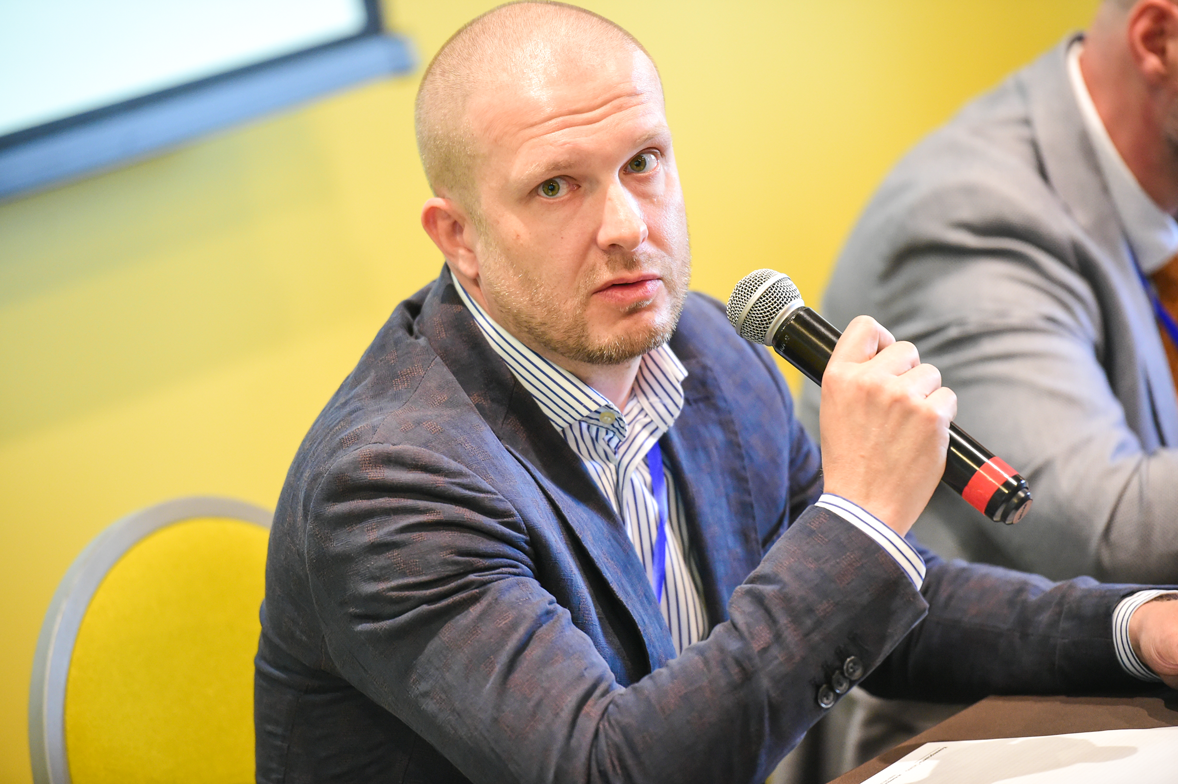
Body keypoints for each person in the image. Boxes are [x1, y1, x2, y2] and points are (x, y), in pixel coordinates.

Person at [254, 4, 1178, 783]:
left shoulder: (711, 350)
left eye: (643, 162)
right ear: (458, 238)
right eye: (556, 187)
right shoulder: (385, 488)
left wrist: (1137, 627)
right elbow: (610, 768)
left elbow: (896, 614)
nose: (626, 226)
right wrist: (861, 518)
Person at [803, 0, 1178, 585]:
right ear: (1157, 42)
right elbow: (1110, 536)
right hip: (982, 638)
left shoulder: (1154, 179)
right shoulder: (972, 212)